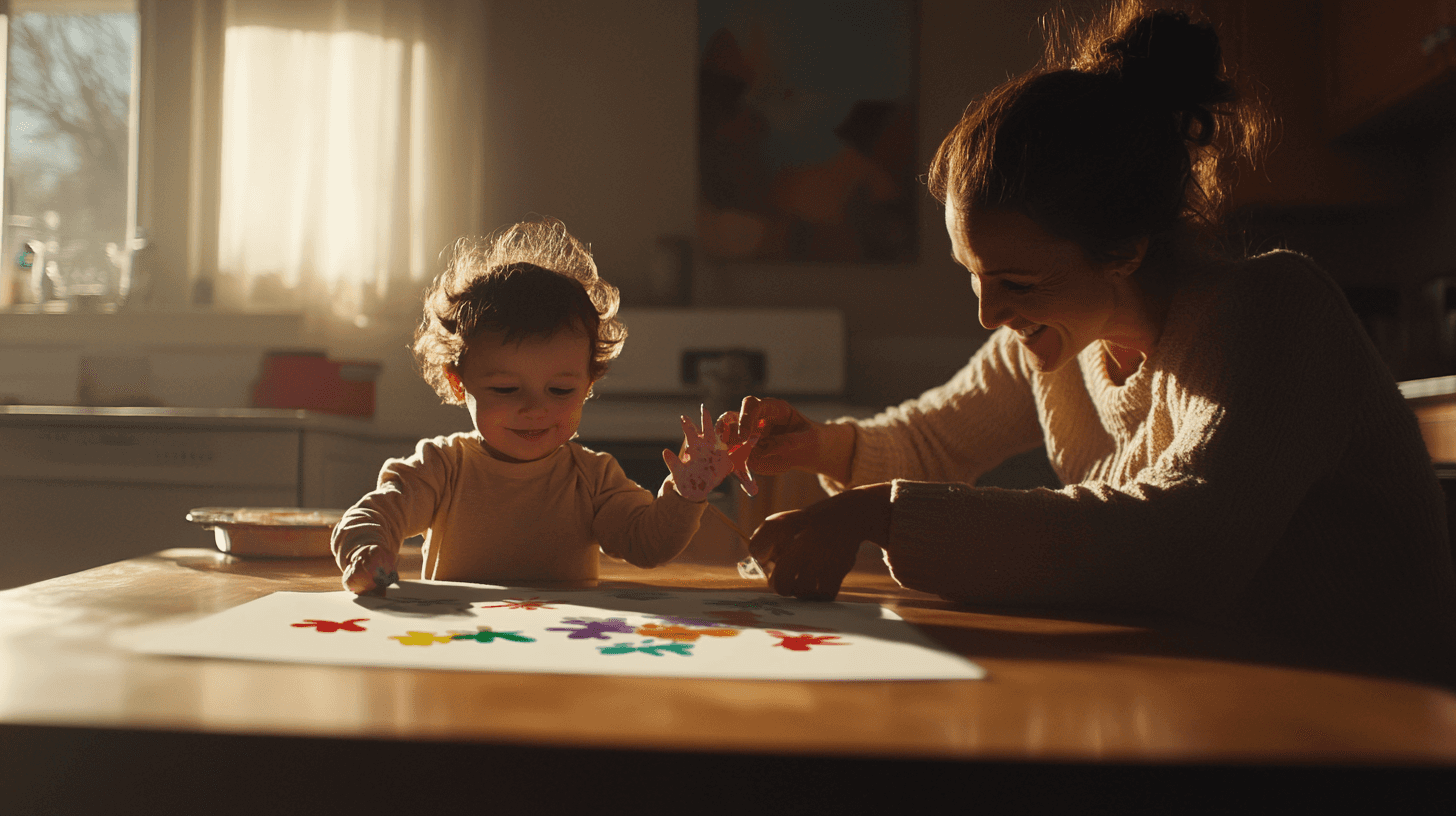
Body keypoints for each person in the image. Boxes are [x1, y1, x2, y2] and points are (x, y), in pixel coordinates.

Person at [736, 2, 1456, 685]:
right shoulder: (1060, 338)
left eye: (1016, 280)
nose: (989, 312)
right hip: (1217, 702)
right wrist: (819, 448)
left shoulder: (1274, 314)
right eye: (974, 276)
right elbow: (934, 440)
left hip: (1374, 732)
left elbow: (1179, 545)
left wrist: (883, 511)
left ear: (1125, 249)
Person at [332, 219, 714, 593]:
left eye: (560, 390)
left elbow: (647, 545)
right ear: (458, 382)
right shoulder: (441, 467)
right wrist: (367, 552)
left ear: (588, 385)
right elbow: (371, 516)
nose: (535, 408)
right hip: (462, 645)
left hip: (564, 648)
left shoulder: (595, 479)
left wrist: (686, 494)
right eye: (506, 388)